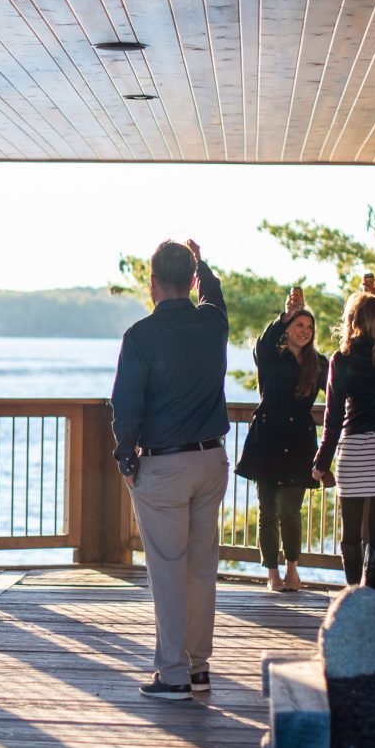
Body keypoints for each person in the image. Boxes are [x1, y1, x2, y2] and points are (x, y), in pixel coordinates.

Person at [112, 238, 229, 702]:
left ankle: (174, 673)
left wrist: (125, 455)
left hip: (164, 464)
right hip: (210, 460)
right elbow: (214, 296)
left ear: (153, 282)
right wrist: (204, 264)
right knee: (202, 569)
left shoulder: (140, 336)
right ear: (193, 281)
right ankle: (199, 668)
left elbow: (127, 403)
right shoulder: (213, 324)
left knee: (167, 569)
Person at [312, 275, 375, 591]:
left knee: (351, 532)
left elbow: (332, 418)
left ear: (351, 320)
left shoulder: (340, 359)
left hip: (355, 449)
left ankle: (352, 594)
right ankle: (370, 591)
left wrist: (321, 462)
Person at [234, 286, 325, 593]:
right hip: (268, 439)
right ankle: (272, 572)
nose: (305, 331)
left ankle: (293, 568)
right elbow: (262, 344)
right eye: (299, 325)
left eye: (309, 327)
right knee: (268, 509)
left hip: (299, 441)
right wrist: (285, 313)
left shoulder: (318, 363)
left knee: (291, 509)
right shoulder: (273, 355)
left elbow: (341, 391)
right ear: (287, 328)